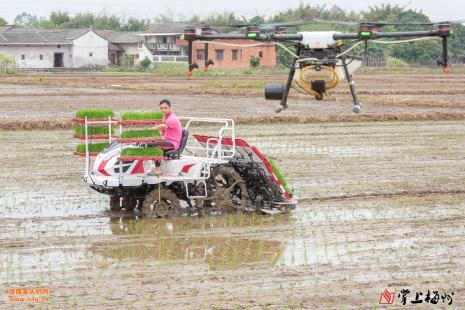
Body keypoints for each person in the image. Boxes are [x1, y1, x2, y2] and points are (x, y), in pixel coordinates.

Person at [148, 99, 183, 175]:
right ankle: (152, 166)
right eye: (161, 108)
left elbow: (162, 126)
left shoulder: (172, 118)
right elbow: (162, 131)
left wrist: (151, 129)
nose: (163, 110)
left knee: (155, 145)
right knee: (150, 143)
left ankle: (157, 170)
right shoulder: (165, 118)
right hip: (167, 141)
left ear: (170, 108)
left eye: (165, 108)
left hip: (173, 143)